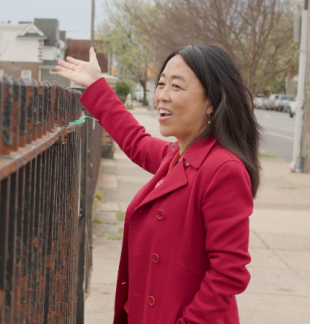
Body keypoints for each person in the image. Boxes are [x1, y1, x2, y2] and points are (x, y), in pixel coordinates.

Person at [57, 45, 261, 324]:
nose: (162, 96)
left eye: (176, 86)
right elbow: (135, 141)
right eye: (161, 84)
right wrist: (96, 85)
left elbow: (229, 271)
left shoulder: (222, 169)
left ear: (211, 101)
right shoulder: (176, 156)